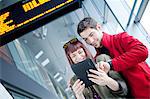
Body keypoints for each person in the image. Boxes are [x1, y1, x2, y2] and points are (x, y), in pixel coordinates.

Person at [77, 17, 150, 98]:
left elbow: (143, 51)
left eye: (91, 34)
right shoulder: (98, 59)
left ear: (98, 27)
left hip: (146, 90)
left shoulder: (120, 38)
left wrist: (111, 64)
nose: (90, 41)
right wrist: (77, 80)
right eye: (86, 39)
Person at [63, 38, 128, 99]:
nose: (79, 57)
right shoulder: (74, 81)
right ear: (70, 59)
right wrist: (79, 96)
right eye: (73, 56)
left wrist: (107, 81)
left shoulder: (102, 60)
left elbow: (124, 90)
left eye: (80, 52)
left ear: (85, 51)